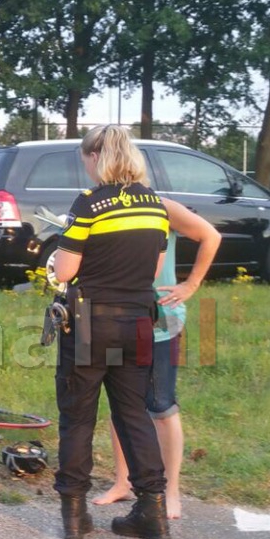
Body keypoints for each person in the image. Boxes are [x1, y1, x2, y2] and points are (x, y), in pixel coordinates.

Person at [50, 124, 170, 539]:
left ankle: (74, 515)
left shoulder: (89, 204)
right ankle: (153, 511)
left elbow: (65, 271)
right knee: (134, 414)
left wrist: (57, 261)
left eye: (86, 160)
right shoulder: (155, 206)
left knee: (79, 416)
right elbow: (153, 272)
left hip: (89, 323)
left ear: (95, 157)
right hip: (136, 320)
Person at [91, 200, 221, 519]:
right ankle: (123, 483)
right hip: (116, 315)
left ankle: (170, 492)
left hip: (160, 316)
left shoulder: (162, 207)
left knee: (161, 407)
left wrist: (190, 285)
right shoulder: (100, 206)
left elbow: (210, 236)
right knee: (120, 406)